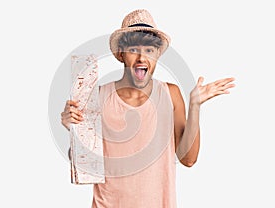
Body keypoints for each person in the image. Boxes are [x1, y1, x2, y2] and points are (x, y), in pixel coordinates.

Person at [61, 9, 235, 208]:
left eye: (149, 50)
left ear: (157, 55)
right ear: (121, 54)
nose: (142, 58)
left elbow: (188, 159)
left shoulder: (171, 94)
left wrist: (195, 106)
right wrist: (74, 129)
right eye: (134, 50)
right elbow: (85, 164)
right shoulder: (98, 97)